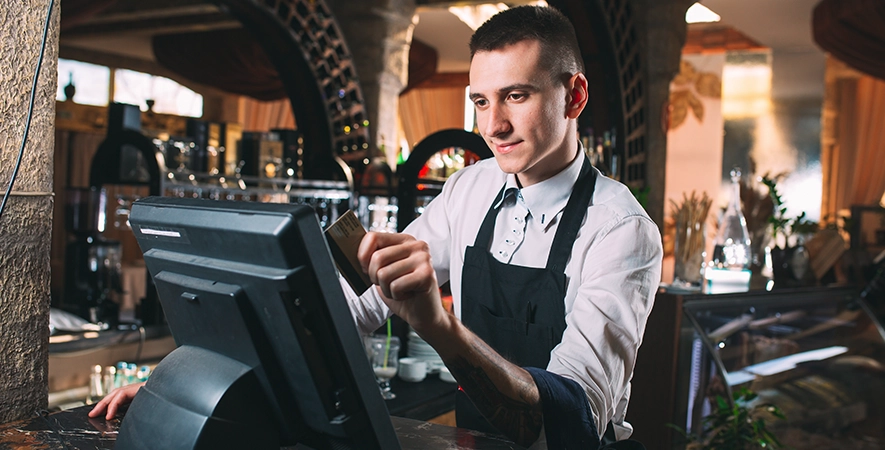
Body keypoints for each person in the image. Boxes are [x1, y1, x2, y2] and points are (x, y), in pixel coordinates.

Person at [91, 5, 662, 449]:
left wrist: (437, 325)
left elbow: (571, 421)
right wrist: (196, 389)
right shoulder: (471, 189)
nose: (495, 125)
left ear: (575, 95)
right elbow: (351, 305)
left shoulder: (620, 231)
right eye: (481, 101)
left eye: (517, 96)